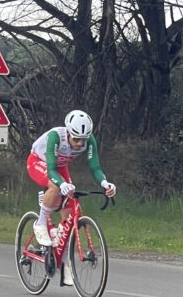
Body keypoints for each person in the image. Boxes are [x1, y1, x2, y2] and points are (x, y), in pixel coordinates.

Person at [26, 110, 116, 284]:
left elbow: (95, 168)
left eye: (83, 140)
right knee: (55, 186)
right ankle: (41, 223)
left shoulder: (89, 140)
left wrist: (105, 183)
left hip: (60, 166)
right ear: (68, 132)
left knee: (69, 209)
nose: (80, 143)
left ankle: (62, 257)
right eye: (76, 139)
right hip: (39, 162)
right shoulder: (55, 137)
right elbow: (51, 170)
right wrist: (61, 184)